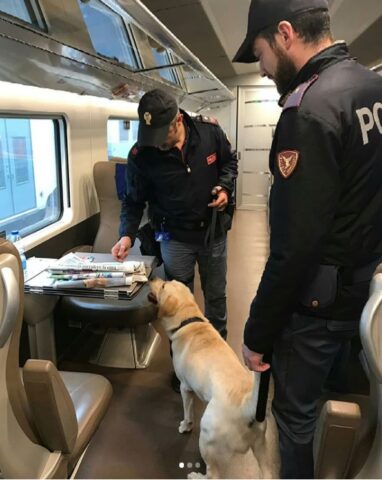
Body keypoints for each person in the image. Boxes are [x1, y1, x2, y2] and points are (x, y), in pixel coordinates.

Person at [234, 0, 382, 478]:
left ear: (285, 34)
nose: (262, 66)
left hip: (317, 307)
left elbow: (295, 245)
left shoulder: (309, 108)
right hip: (366, 294)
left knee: (295, 417)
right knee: (347, 398)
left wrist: (256, 333)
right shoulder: (372, 87)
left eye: (261, 53)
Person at [111, 88, 237, 341]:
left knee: (215, 297)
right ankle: (183, 368)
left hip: (212, 233)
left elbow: (229, 163)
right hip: (173, 237)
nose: (156, 143)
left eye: (161, 135)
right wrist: (126, 235)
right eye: (150, 135)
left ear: (178, 119)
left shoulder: (209, 133)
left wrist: (224, 187)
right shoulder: (141, 155)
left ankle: (217, 350)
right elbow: (133, 201)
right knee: (176, 303)